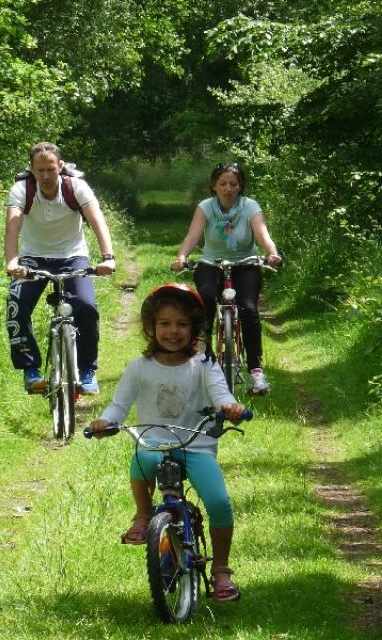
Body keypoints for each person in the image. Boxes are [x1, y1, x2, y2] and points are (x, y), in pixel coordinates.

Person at [89, 283, 246, 602]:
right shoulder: (139, 368)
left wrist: (230, 407)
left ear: (195, 329)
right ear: (150, 327)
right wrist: (106, 422)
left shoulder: (203, 365)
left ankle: (222, 570)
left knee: (218, 502)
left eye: (182, 324)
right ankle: (143, 514)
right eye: (164, 323)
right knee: (142, 460)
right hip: (154, 443)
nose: (173, 331)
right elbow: (119, 405)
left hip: (196, 446)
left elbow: (220, 393)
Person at [5, 142, 115, 395]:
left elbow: (97, 219)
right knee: (16, 306)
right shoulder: (22, 190)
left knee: (86, 307)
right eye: (40, 170)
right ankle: (31, 370)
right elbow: (12, 227)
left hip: (73, 256)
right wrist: (12, 262)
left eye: (51, 169)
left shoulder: (75, 187)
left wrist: (108, 257)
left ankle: (87, 370)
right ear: (32, 169)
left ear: (60, 167)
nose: (45, 176)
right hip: (33, 257)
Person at [170, 162, 282, 395]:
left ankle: (256, 371)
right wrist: (182, 256)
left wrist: (271, 253)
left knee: (249, 308)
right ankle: (203, 359)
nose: (228, 188)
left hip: (245, 264)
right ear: (214, 186)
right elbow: (193, 235)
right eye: (223, 183)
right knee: (206, 300)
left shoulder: (250, 207)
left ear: (240, 186)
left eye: (234, 183)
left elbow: (262, 234)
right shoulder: (206, 207)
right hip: (211, 263)